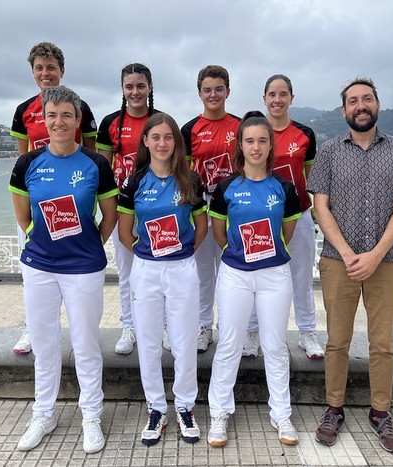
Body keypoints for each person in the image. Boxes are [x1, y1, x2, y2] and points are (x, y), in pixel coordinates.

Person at [308, 76, 393, 454]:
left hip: (386, 262)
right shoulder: (328, 152)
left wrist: (374, 255)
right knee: (337, 340)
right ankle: (334, 408)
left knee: (382, 342)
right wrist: (346, 252)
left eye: (367, 99)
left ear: (377, 105)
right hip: (337, 261)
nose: (360, 106)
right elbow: (319, 207)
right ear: (343, 110)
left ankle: (380, 412)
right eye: (353, 101)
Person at [8, 85, 118, 454]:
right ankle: (44, 413)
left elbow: (110, 216)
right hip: (39, 266)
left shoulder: (96, 164)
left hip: (84, 267)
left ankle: (91, 415)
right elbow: (23, 214)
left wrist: (89, 245)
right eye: (52, 115)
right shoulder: (27, 164)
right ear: (44, 118)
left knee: (86, 343)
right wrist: (37, 241)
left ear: (77, 120)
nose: (59, 122)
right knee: (44, 342)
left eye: (66, 115)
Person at [206, 111, 302, 447]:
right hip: (235, 275)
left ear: (270, 144)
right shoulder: (225, 188)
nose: (256, 146)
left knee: (275, 346)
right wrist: (242, 256)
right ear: (240, 145)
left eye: (262, 140)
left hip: (275, 275)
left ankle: (282, 414)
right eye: (250, 140)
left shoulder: (285, 189)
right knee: (230, 344)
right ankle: (219, 413)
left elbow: (286, 232)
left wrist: (264, 255)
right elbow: (220, 234)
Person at [117, 113, 207, 446]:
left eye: (168, 137)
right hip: (146, 270)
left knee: (183, 342)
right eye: (155, 137)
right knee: (150, 343)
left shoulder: (191, 180)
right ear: (146, 141)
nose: (162, 143)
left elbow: (201, 229)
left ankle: (185, 407)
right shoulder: (134, 181)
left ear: (176, 142)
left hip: (182, 269)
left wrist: (179, 253)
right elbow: (125, 232)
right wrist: (150, 254)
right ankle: (156, 409)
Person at [10, 41, 98, 356]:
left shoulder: (81, 107)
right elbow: (24, 163)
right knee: (32, 272)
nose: (45, 73)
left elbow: (92, 153)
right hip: (39, 202)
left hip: (73, 202)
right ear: (33, 72)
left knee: (76, 278)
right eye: (39, 68)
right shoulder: (23, 111)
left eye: (51, 67)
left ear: (61, 71)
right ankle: (32, 330)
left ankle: (80, 330)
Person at [243, 74, 324, 359]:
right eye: (272, 95)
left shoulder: (305, 135)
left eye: (283, 94)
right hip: (260, 218)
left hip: (298, 214)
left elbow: (310, 177)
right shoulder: (255, 132)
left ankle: (307, 332)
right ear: (264, 98)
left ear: (291, 97)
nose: (277, 100)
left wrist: (312, 209)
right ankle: (252, 332)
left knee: (301, 276)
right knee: (254, 274)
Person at [96, 63, 159, 355]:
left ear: (149, 87)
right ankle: (129, 326)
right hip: (125, 207)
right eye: (129, 86)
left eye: (140, 85)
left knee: (161, 268)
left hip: (157, 208)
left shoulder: (160, 120)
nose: (135, 92)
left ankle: (163, 326)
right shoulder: (111, 122)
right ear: (122, 89)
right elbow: (102, 169)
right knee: (127, 272)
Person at [181, 65, 241, 353]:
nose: (213, 94)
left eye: (219, 88)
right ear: (199, 93)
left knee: (235, 269)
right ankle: (204, 325)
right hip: (203, 205)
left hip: (235, 207)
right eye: (208, 89)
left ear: (228, 91)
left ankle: (237, 328)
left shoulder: (240, 126)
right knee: (204, 271)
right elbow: (182, 172)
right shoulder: (189, 129)